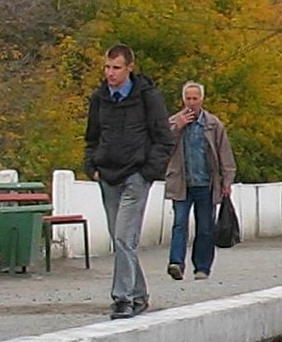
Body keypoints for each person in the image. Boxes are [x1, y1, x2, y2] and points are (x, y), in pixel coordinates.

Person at [83, 43, 173, 318]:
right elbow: (92, 136)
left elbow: (164, 139)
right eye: (107, 67)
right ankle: (139, 294)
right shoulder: (100, 98)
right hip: (108, 175)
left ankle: (122, 298)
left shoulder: (148, 97)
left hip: (135, 175)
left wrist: (147, 172)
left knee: (124, 237)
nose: (110, 73)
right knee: (120, 238)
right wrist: (91, 166)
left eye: (116, 68)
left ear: (129, 68)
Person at [163, 79, 238, 284]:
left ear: (202, 100)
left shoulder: (213, 125)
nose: (191, 103)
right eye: (188, 98)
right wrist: (176, 128)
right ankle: (176, 263)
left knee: (205, 227)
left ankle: (202, 266)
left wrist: (227, 181)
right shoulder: (173, 123)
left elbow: (225, 155)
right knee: (179, 224)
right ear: (183, 99)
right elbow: (162, 149)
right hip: (182, 183)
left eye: (195, 98)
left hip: (207, 184)